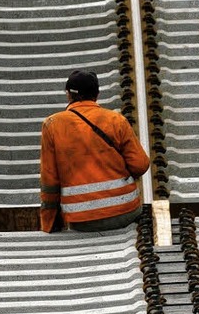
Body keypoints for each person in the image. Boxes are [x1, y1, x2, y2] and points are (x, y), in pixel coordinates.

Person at [40, 69, 150, 233]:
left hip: (82, 220)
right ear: (97, 94)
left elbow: (50, 181)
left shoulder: (52, 124)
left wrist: (48, 223)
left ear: (68, 94)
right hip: (125, 212)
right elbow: (140, 165)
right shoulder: (115, 120)